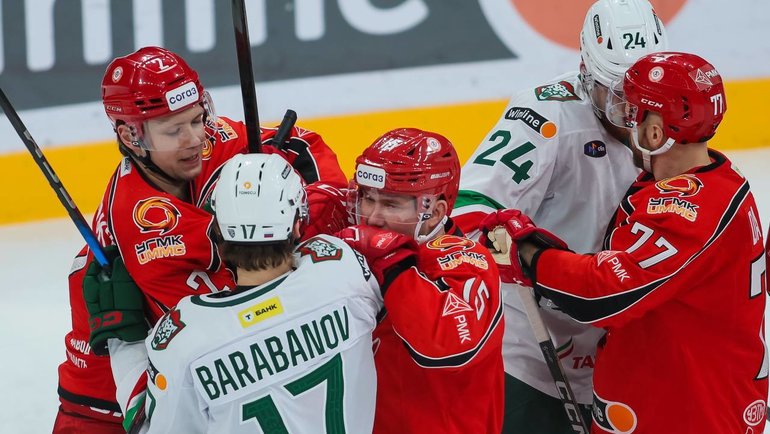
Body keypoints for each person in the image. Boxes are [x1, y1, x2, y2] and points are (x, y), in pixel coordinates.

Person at [54, 46, 346, 433]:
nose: (194, 139)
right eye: (174, 131)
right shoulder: (143, 228)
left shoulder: (214, 139)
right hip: (106, 400)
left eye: (197, 118)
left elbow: (304, 149)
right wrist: (285, 230)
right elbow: (236, 315)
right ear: (130, 135)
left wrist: (305, 207)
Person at [486, 52, 768, 433]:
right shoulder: (716, 184)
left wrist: (529, 254)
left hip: (688, 417)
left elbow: (600, 293)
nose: (622, 120)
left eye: (631, 112)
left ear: (655, 134)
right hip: (675, 402)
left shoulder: (690, 211)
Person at [450, 0, 668, 431]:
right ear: (587, 72)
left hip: (622, 347)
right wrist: (515, 244)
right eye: (618, 94)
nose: (632, 112)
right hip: (532, 351)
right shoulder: (545, 115)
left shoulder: (673, 114)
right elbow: (470, 204)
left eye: (643, 96)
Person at [131, 153, 382, 433]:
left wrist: (124, 349)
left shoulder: (184, 337)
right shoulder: (342, 269)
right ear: (297, 223)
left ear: (217, 230)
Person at [341, 128, 505, 433]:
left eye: (391, 204)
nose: (373, 217)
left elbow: (450, 344)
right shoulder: (361, 252)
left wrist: (394, 264)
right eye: (367, 199)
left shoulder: (468, 263)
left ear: (435, 212)